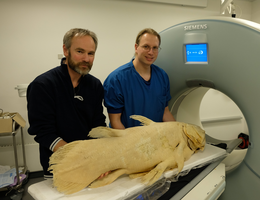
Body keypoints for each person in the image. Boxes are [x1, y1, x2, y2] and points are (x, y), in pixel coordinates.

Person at [27, 28, 106, 178]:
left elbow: (98, 125)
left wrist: (99, 157)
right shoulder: (43, 85)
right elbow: (44, 131)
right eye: (80, 51)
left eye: (91, 53)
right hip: (58, 168)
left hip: (90, 163)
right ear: (66, 50)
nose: (86, 59)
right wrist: (79, 157)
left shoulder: (95, 85)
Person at [104, 28, 175, 129]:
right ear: (136, 47)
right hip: (127, 140)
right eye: (146, 47)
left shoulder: (162, 76)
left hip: (155, 139)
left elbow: (165, 112)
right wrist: (132, 144)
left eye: (155, 48)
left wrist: (179, 132)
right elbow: (116, 121)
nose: (151, 52)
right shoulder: (116, 79)